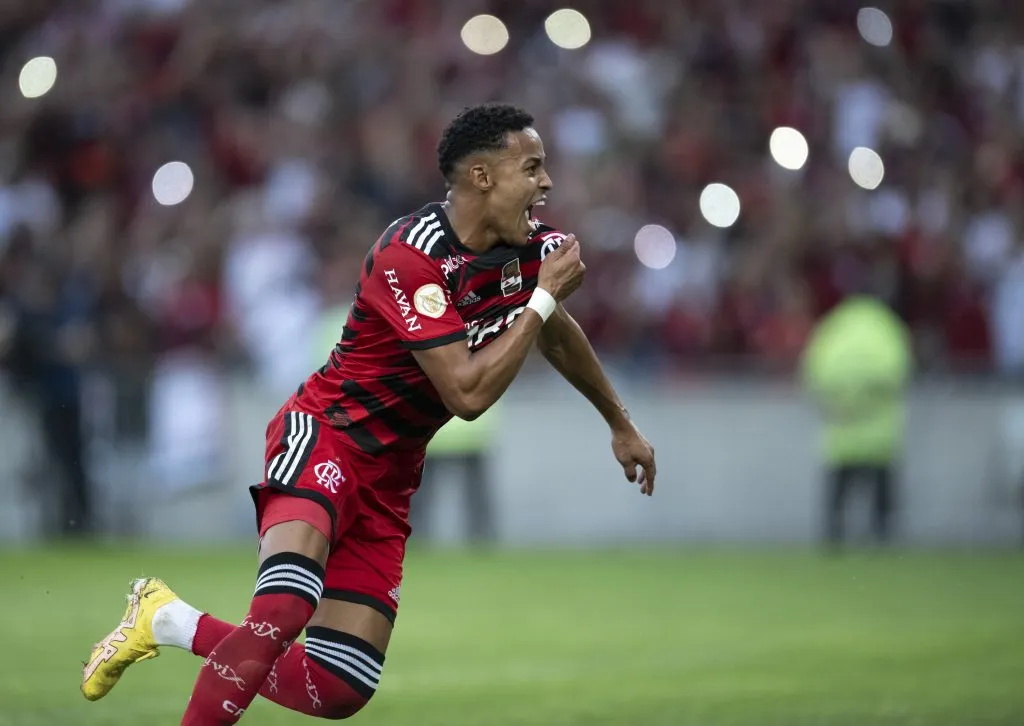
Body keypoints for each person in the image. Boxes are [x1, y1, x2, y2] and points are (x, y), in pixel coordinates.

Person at [80, 103, 657, 724]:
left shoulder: (529, 253)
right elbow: (466, 396)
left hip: (389, 476)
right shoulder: (410, 255)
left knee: (338, 687)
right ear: (484, 177)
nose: (547, 184)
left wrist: (618, 421)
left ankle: (167, 619)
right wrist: (543, 298)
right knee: (281, 612)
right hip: (326, 436)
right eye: (533, 168)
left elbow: (558, 333)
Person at [800, 294, 911, 549]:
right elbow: (898, 372)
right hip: (879, 434)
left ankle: (833, 540)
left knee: (839, 495)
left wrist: (841, 400)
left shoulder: (833, 329)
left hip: (841, 430)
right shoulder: (885, 328)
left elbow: (812, 372)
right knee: (880, 497)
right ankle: (882, 541)